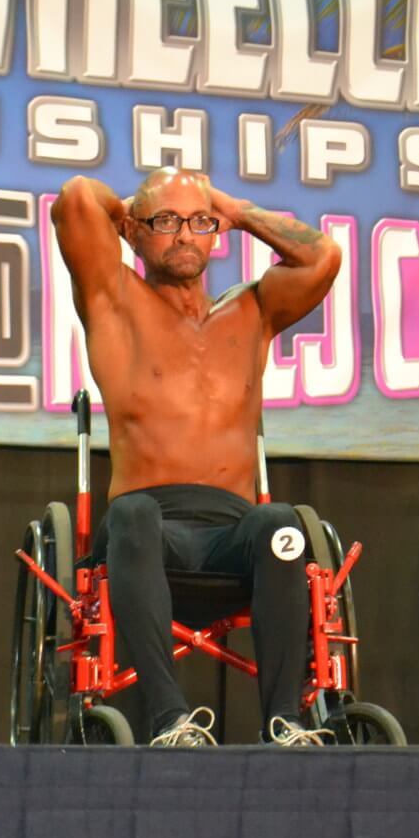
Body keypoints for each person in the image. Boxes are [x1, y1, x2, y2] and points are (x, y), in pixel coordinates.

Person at [51, 167, 342, 747]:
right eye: (166, 222)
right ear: (133, 233)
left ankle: (284, 723)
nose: (185, 234)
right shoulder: (114, 300)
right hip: (146, 534)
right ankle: (168, 720)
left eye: (199, 222)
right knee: (133, 513)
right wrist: (139, 206)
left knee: (280, 524)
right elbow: (76, 198)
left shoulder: (254, 311)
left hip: (233, 537)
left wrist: (237, 210)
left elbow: (323, 257)